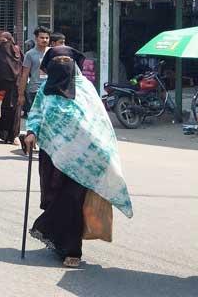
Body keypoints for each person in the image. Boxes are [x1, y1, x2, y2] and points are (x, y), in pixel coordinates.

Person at [23, 46, 133, 268]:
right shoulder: (46, 89)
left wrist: (104, 151)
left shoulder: (86, 89)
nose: (62, 65)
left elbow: (99, 122)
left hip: (83, 158)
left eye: (67, 61)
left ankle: (71, 249)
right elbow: (35, 113)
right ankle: (59, 241)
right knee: (54, 197)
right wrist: (31, 132)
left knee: (72, 200)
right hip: (52, 155)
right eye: (57, 61)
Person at [0, 30, 23, 144]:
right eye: (2, 41)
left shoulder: (17, 51)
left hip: (15, 87)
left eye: (6, 41)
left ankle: (12, 136)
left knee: (14, 111)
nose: (4, 45)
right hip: (0, 87)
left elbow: (23, 67)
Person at [19, 26, 51, 117]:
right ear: (36, 38)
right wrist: (21, 94)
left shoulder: (52, 52)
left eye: (47, 38)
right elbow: (24, 75)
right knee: (36, 117)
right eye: (42, 37)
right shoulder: (29, 54)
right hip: (35, 90)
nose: (44, 40)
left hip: (50, 90)